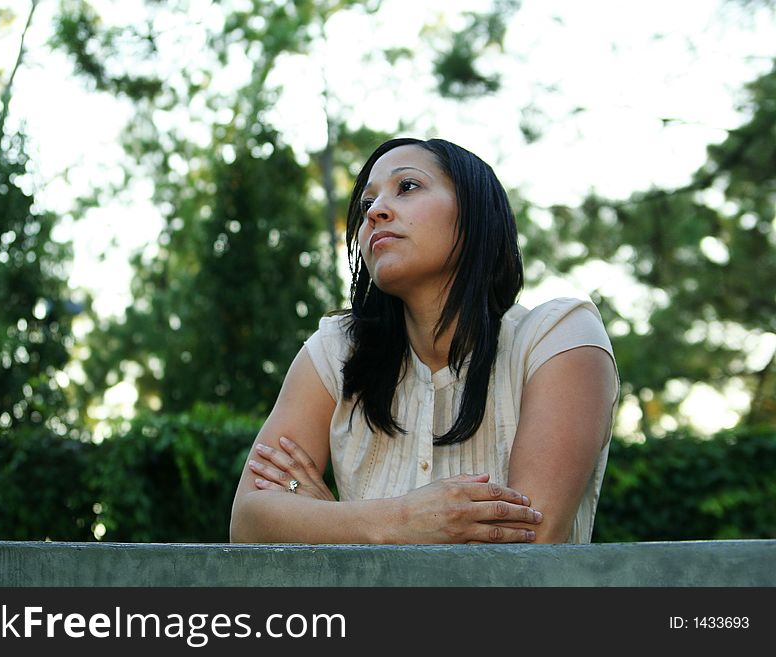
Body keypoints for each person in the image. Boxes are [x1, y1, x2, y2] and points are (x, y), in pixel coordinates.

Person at [229, 137, 619, 544]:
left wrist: (328, 522)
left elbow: (526, 552)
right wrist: (401, 520)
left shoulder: (559, 338)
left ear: (474, 212)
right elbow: (249, 520)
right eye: (366, 205)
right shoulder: (336, 351)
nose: (375, 212)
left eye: (408, 186)